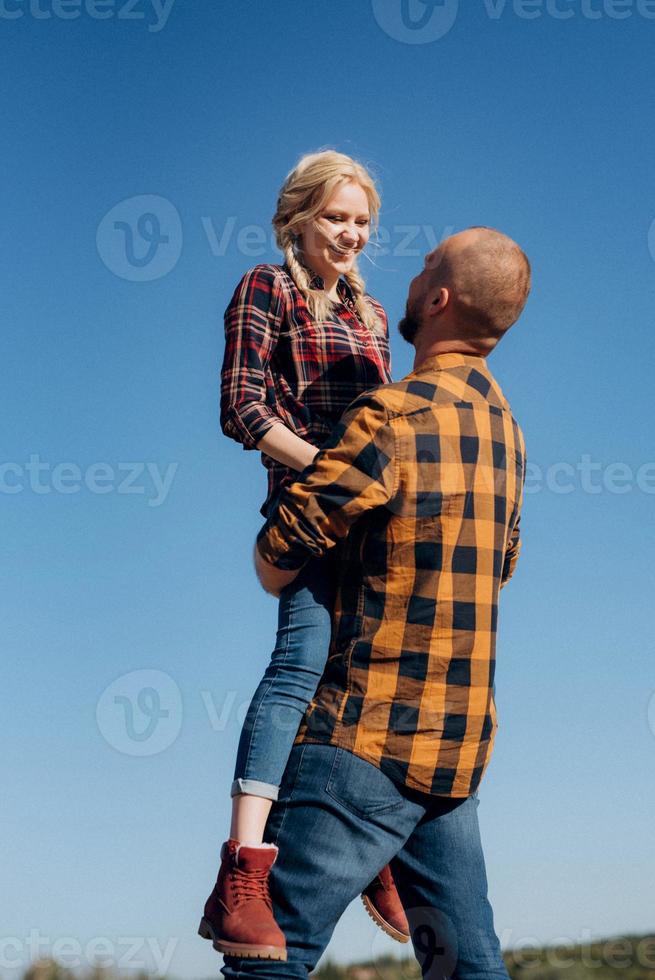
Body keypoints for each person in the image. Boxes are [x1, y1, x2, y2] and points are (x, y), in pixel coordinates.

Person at [213, 226, 532, 980]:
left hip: (366, 737)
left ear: (438, 299)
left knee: (267, 957)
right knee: (468, 968)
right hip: (456, 753)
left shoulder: (391, 415)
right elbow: (504, 564)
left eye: (424, 267)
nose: (411, 274)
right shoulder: (507, 435)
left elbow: (276, 560)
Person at [199, 151, 409, 962]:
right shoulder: (267, 288)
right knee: (298, 666)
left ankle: (364, 849)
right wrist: (326, 475)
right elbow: (240, 406)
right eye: (334, 217)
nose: (349, 233)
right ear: (298, 220)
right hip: (308, 509)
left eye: (361, 221)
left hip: (374, 523)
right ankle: (241, 872)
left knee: (361, 684)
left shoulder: (374, 315)